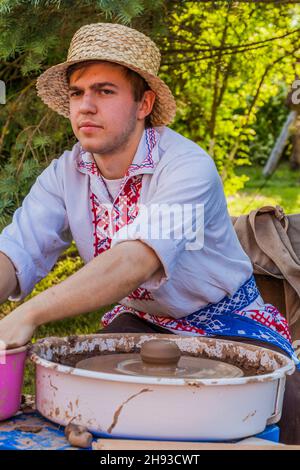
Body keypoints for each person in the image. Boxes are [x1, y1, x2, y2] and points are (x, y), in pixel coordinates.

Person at [0, 23, 298, 443]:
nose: (85, 106)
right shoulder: (65, 174)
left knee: (277, 422)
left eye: (104, 91)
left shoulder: (185, 166)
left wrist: (26, 315)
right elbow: (15, 252)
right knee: (82, 421)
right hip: (140, 323)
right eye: (77, 93)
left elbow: (135, 261)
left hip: (230, 325)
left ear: (144, 103)